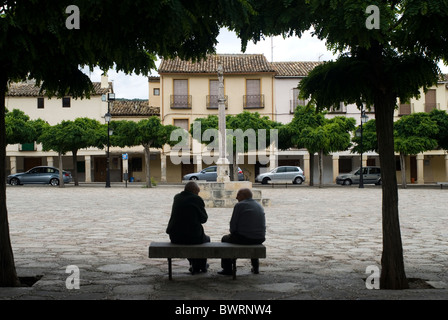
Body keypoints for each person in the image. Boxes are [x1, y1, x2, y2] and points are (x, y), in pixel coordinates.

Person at [218, 188, 266, 276]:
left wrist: (233, 233)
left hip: (245, 238)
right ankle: (255, 267)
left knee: (225, 239)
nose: (236, 197)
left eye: (238, 195)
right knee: (251, 238)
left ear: (244, 196)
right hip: (260, 238)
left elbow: (233, 224)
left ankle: (227, 268)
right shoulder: (258, 205)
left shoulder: (240, 205)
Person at [166, 181, 210, 274]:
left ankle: (195, 264)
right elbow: (203, 219)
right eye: (197, 192)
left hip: (175, 236)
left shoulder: (177, 198)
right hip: (192, 237)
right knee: (205, 240)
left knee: (190, 239)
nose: (198, 194)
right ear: (194, 191)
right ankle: (200, 266)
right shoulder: (196, 199)